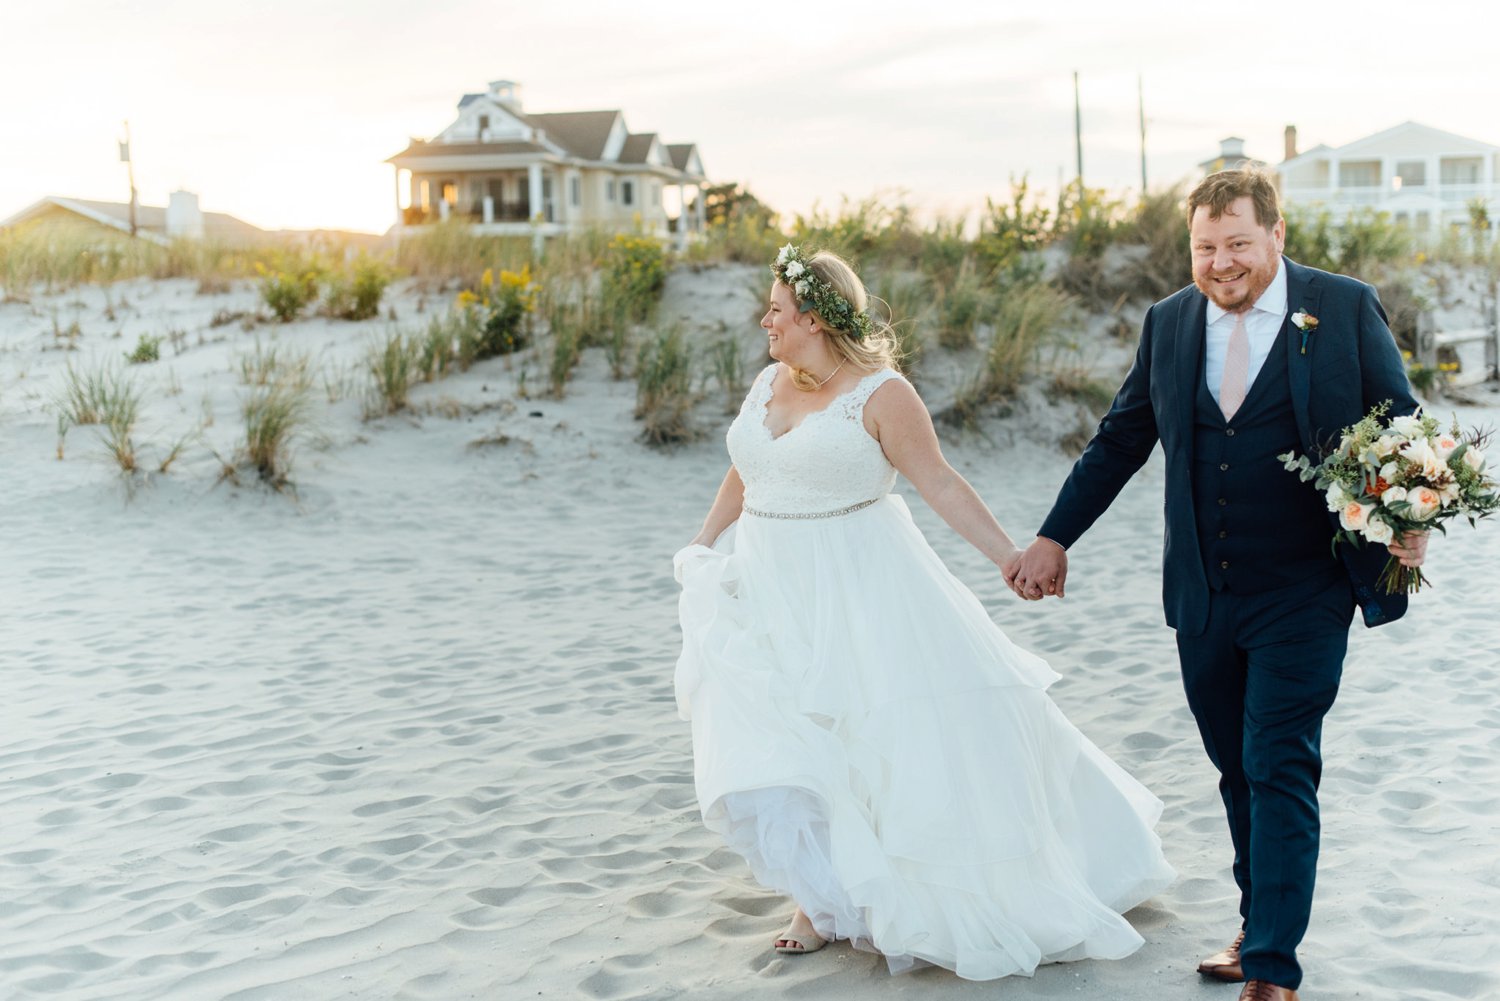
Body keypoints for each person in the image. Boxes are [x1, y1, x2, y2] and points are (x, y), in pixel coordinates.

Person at [673, 244, 1175, 980]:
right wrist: (703, 543)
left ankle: (919, 883)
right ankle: (816, 899)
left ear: (814, 317)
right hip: (769, 581)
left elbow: (939, 482)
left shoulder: (883, 394)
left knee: (876, 731)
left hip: (860, 583)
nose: (765, 320)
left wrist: (1008, 552)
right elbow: (747, 471)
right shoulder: (767, 382)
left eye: (776, 309)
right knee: (793, 732)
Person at [1007, 168, 1427, 1001]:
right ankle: (1255, 921)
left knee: (1279, 761)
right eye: (1205, 247)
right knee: (1236, 767)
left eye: (1238, 242)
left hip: (1307, 588)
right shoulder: (1168, 322)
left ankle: (1273, 966)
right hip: (1202, 591)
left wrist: (1412, 518)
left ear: (1276, 234)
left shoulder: (1341, 307)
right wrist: (1055, 535)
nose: (1221, 262)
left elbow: (1402, 421)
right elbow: (1121, 438)